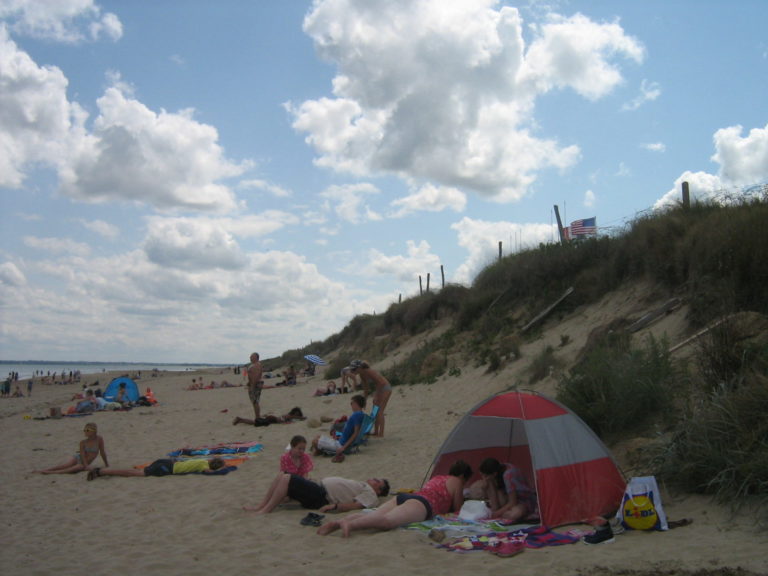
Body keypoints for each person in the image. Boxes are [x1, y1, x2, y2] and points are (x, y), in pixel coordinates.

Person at [318, 460, 472, 538]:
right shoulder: (457, 482)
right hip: (423, 504)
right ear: (462, 476)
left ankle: (340, 522)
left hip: (409, 497)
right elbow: (458, 508)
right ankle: (350, 525)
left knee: (374, 516)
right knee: (387, 522)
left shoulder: (438, 477)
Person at [244, 472, 389, 515]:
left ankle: (265, 510)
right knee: (282, 476)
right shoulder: (364, 487)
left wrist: (334, 507)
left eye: (377, 480)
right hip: (319, 489)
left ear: (378, 490)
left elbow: (356, 506)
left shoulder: (371, 495)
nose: (372, 479)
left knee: (287, 478)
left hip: (322, 497)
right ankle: (261, 506)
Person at [472, 457, 537, 522]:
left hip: (523, 500)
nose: (484, 478)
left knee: (514, 514)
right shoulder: (498, 469)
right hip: (506, 497)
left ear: (495, 474)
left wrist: (496, 514)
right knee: (488, 482)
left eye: (485, 476)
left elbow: (513, 502)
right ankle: (498, 511)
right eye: (482, 475)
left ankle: (519, 513)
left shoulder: (508, 475)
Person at [33, 422, 108, 475]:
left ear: (94, 431)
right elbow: (82, 454)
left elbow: (102, 452)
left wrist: (106, 464)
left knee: (70, 469)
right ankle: (45, 470)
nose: (85, 432)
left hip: (84, 463)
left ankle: (50, 473)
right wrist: (86, 465)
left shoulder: (99, 439)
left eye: (87, 430)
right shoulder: (83, 442)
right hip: (80, 458)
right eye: (84, 430)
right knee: (64, 466)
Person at [310, 394, 366, 462]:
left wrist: (343, 447)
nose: (351, 405)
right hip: (339, 441)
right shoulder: (360, 414)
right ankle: (319, 450)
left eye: (352, 403)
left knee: (314, 441)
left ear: (356, 403)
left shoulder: (357, 415)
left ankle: (318, 452)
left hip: (340, 445)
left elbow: (356, 433)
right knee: (318, 436)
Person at [349, 360, 391, 437]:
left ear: (359, 368)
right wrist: (363, 402)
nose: (352, 371)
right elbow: (366, 389)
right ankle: (375, 432)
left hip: (385, 388)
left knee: (379, 411)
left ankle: (381, 434)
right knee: (374, 411)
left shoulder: (369, 371)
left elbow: (381, 383)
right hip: (380, 389)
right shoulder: (362, 375)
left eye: (353, 369)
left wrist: (376, 395)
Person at [88, 457, 226, 480]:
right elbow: (210, 472)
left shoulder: (202, 461)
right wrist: (219, 470)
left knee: (133, 472)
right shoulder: (204, 466)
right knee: (131, 473)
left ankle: (101, 471)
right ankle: (101, 471)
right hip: (166, 469)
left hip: (167, 462)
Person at [232, 406, 304, 426]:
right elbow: (296, 417)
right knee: (255, 422)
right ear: (294, 412)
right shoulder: (289, 416)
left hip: (272, 419)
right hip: (272, 419)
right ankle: (240, 419)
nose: (297, 415)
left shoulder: (289, 416)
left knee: (255, 422)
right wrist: (303, 418)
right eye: (297, 413)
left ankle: (240, 420)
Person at [246, 352, 264, 419]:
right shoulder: (255, 365)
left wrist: (252, 386)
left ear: (256, 357)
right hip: (254, 384)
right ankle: (257, 416)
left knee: (255, 401)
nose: (250, 357)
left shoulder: (257, 365)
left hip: (255, 385)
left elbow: (256, 377)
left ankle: (257, 417)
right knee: (255, 401)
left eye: (251, 356)